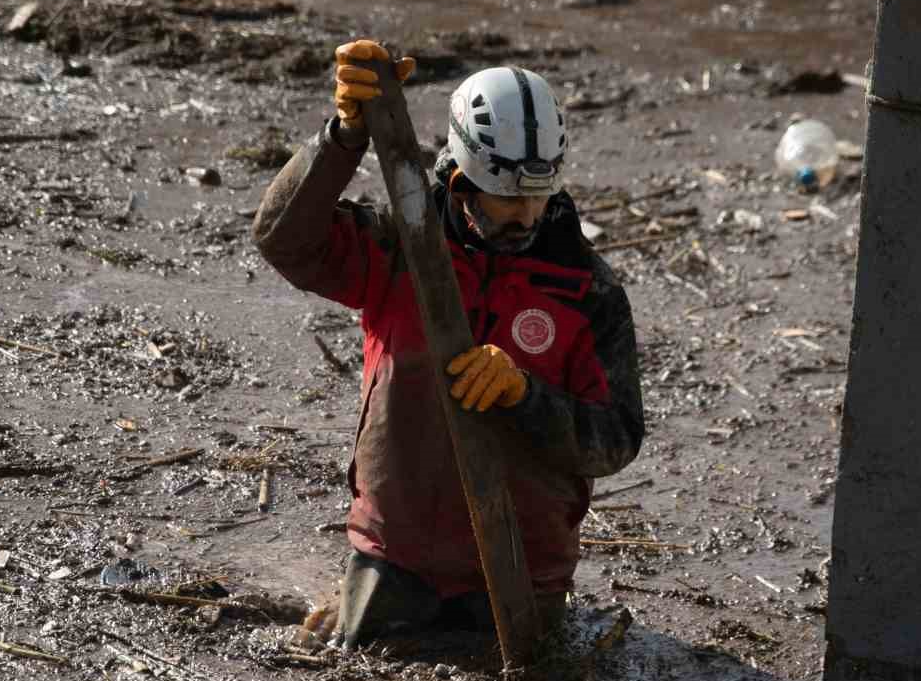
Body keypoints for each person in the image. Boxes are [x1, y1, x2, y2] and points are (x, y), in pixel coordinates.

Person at [253, 39, 644, 648]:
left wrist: (525, 396)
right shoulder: (399, 246)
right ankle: (353, 588)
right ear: (460, 182)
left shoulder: (585, 288)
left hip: (522, 565)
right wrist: (342, 139)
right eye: (508, 198)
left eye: (538, 196)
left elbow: (616, 440)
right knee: (363, 659)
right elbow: (284, 240)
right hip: (398, 548)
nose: (527, 214)